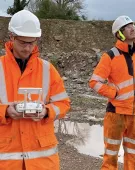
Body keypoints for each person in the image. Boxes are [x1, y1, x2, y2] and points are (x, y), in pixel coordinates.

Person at [0, 10, 70, 170]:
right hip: (6, 161)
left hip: (42, 161)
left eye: (32, 42)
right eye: (23, 42)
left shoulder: (47, 69)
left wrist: (47, 112)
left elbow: (64, 104)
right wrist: (5, 111)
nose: (28, 48)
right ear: (12, 37)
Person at [89, 15, 135, 170]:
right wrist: (113, 94)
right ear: (120, 33)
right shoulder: (110, 56)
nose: (133, 28)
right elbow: (94, 82)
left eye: (133, 25)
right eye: (128, 26)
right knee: (111, 155)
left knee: (133, 154)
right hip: (115, 113)